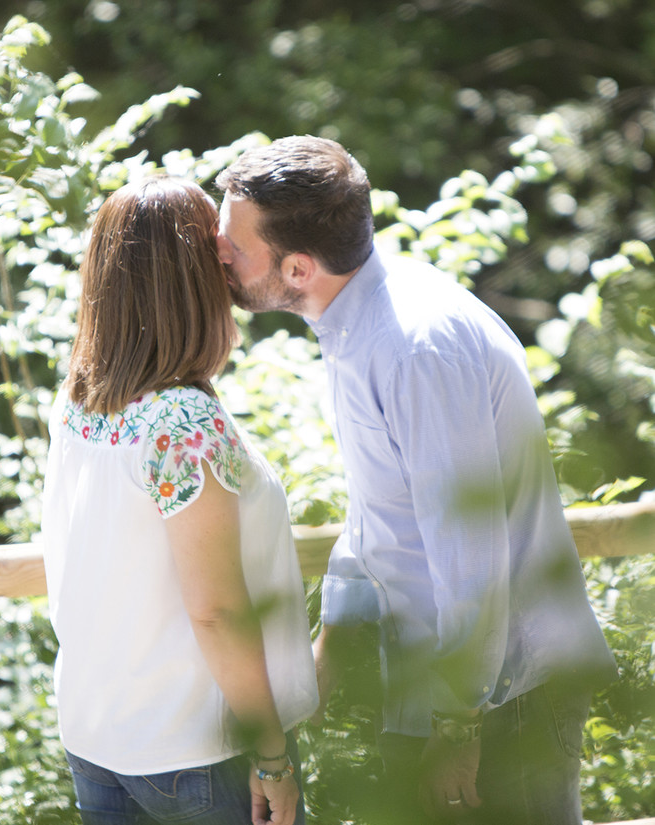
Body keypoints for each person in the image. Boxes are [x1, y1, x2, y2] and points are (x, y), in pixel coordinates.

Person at [215, 136, 617, 824]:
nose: (219, 255)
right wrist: (334, 642)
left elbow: (471, 552)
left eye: (234, 246)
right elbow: (385, 513)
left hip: (504, 694)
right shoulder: (357, 322)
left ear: (300, 267)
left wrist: (458, 727)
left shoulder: (412, 348)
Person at [40, 176, 319, 825]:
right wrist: (272, 753)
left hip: (97, 735)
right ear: (193, 279)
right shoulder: (184, 425)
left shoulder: (80, 400)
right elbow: (217, 608)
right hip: (197, 750)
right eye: (217, 256)